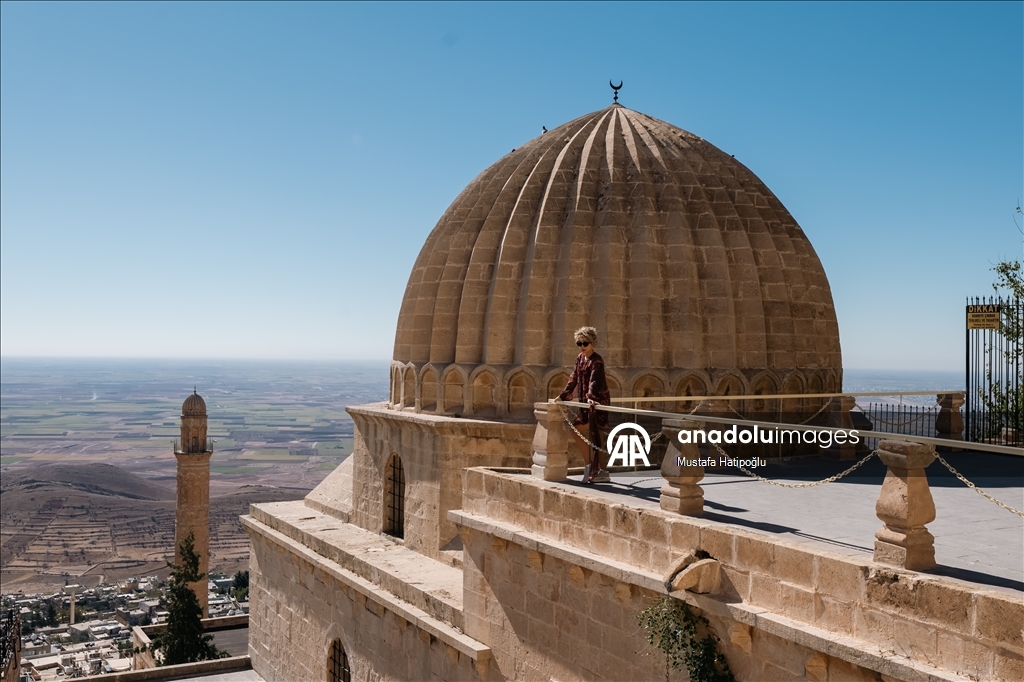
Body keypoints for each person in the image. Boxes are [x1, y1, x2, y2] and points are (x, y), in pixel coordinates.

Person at [557, 326, 611, 483]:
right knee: (594, 437)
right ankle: (595, 469)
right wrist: (562, 395)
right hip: (585, 403)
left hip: (597, 402)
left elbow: (594, 381)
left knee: (595, 436)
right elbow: (573, 378)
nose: (582, 347)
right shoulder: (580, 358)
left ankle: (596, 470)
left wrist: (591, 397)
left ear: (593, 343)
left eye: (585, 343)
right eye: (579, 343)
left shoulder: (597, 361)